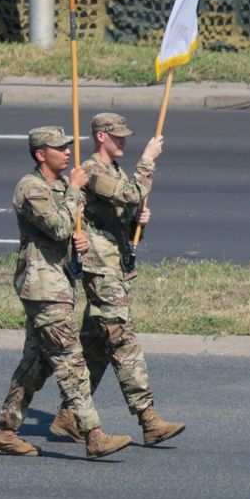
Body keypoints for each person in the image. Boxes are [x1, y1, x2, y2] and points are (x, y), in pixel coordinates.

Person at [0, 126, 131, 460]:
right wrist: (74, 197)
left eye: (68, 147)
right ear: (41, 154)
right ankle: (93, 433)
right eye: (59, 148)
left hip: (58, 282)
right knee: (71, 360)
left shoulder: (64, 186)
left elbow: (69, 233)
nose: (67, 152)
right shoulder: (30, 187)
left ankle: (5, 432)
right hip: (42, 286)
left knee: (36, 362)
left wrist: (77, 244)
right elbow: (57, 225)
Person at [52, 112, 184, 447]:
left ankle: (69, 416)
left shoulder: (114, 171)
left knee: (96, 346)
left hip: (115, 266)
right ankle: (148, 418)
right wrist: (147, 161)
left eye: (126, 135)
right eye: (117, 136)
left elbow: (123, 214)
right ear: (100, 137)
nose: (124, 140)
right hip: (100, 268)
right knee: (124, 342)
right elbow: (128, 194)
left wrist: (139, 220)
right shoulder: (93, 171)